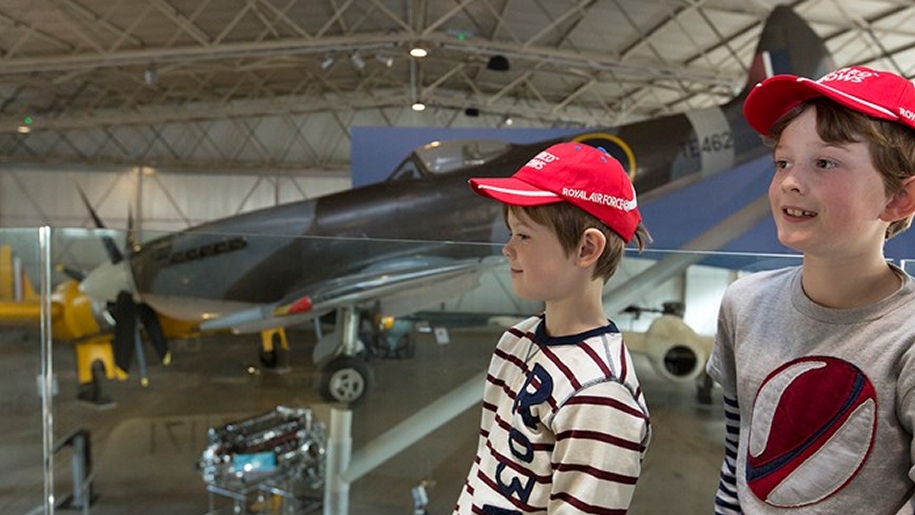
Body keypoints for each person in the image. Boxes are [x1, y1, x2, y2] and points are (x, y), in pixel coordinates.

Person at [707, 65, 915, 514]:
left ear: (898, 198)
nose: (789, 182)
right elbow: (737, 463)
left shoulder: (907, 338)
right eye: (783, 161)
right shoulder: (743, 305)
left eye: (824, 162)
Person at [453, 141, 652, 514]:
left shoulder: (602, 395)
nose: (507, 249)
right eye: (511, 232)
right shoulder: (515, 341)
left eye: (523, 235)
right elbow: (484, 471)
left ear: (586, 249)